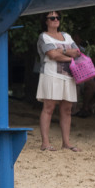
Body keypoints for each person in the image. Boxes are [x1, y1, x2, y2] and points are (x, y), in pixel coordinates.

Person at [35, 11, 81, 151]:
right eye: (52, 18)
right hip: (51, 75)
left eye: (58, 17)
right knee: (49, 107)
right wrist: (68, 53)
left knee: (67, 109)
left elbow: (77, 51)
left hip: (69, 75)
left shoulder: (66, 36)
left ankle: (66, 143)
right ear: (46, 21)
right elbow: (51, 55)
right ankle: (45, 143)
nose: (56, 20)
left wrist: (60, 51)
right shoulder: (43, 37)